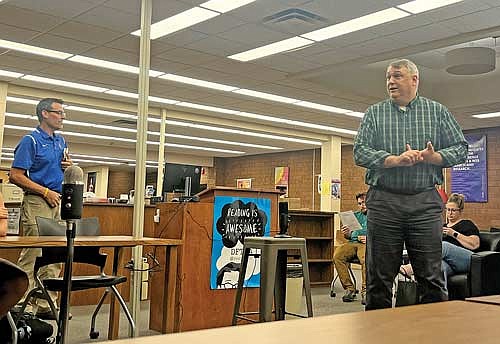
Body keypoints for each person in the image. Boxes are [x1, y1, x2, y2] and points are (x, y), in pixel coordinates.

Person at [353, 59, 468, 310]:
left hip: (424, 202)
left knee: (432, 278)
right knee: (378, 280)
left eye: (396, 76)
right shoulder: (375, 113)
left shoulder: (437, 112)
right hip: (384, 203)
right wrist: (392, 160)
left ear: (414, 79)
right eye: (387, 78)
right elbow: (359, 152)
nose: (390, 82)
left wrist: (435, 157)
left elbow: (461, 148)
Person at [9, 97, 72, 319]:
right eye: (59, 112)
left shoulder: (61, 141)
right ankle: (21, 305)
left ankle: (46, 302)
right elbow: (15, 175)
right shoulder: (30, 140)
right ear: (45, 113)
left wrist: (68, 167)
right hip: (38, 200)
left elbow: (61, 169)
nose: (63, 116)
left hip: (58, 199)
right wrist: (45, 192)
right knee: (34, 252)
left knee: (55, 253)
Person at [333, 192, 367, 304]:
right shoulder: (355, 216)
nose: (362, 205)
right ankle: (349, 289)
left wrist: (369, 238)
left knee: (365, 258)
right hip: (353, 243)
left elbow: (383, 234)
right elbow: (348, 236)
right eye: (360, 203)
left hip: (367, 244)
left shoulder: (377, 216)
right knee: (338, 255)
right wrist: (346, 233)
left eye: (364, 202)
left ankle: (366, 291)